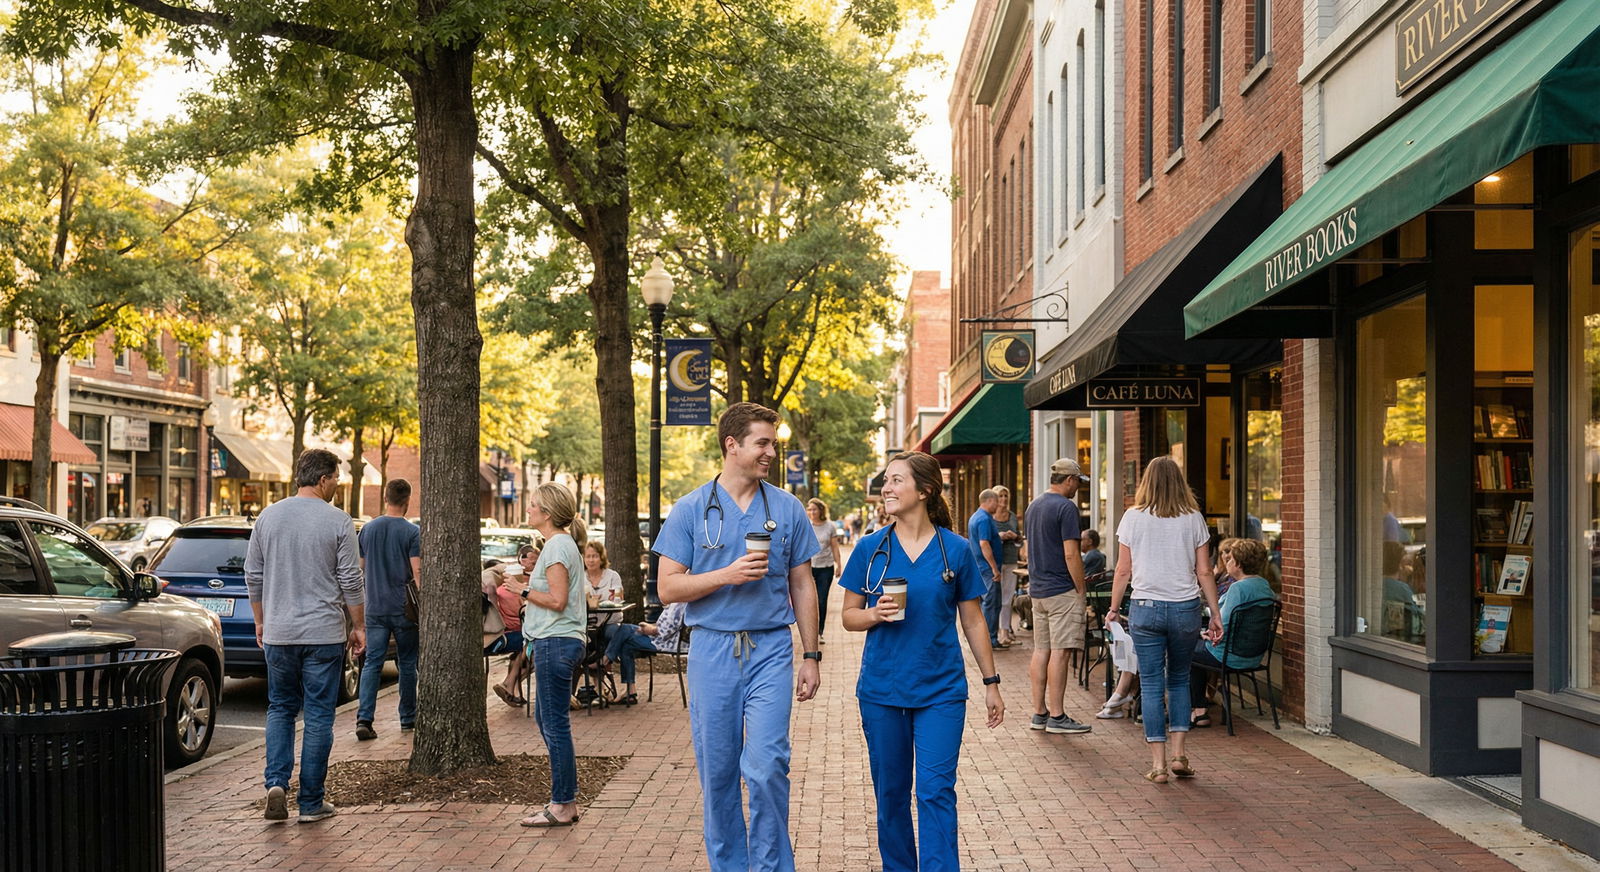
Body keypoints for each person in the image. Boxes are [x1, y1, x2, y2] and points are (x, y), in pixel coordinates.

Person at [655, 402, 820, 872]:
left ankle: (771, 867)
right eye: (762, 442)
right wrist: (725, 575)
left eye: (773, 442)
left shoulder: (786, 508)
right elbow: (668, 588)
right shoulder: (690, 509)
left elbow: (803, 583)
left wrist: (811, 654)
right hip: (711, 649)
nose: (772, 451)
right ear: (733, 445)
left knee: (768, 767)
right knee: (719, 772)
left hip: (770, 648)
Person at [840, 451, 1002, 871]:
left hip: (941, 691)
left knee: (935, 789)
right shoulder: (870, 548)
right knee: (891, 793)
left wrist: (992, 682)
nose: (887, 489)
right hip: (882, 690)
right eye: (886, 481)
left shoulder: (956, 551)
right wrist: (873, 614)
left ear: (925, 490)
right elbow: (848, 616)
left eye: (896, 481)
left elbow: (973, 619)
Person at [246, 449, 364, 824]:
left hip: (280, 632)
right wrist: (358, 626)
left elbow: (253, 575)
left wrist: (261, 621)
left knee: (280, 707)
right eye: (336, 478)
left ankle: (276, 783)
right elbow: (350, 580)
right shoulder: (338, 521)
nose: (338, 484)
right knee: (318, 715)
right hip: (323, 633)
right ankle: (311, 802)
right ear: (324, 479)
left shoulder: (268, 516)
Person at [1108, 456, 1224, 783]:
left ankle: (1158, 764)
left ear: (1147, 482)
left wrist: (1115, 607)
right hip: (1185, 607)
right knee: (1179, 677)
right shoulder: (1193, 518)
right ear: (1179, 482)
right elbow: (1204, 570)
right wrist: (1215, 613)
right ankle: (1179, 755)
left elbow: (1123, 570)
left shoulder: (1133, 517)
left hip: (1145, 606)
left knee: (1152, 682)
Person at [517, 482, 589, 828]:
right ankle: (565, 799)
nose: (528, 509)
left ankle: (563, 803)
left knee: (555, 724)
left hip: (556, 642)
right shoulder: (558, 545)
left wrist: (524, 589)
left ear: (546, 513)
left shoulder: (558, 546)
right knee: (548, 721)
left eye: (532, 505)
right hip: (554, 641)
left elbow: (558, 600)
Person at [1023, 458, 1093, 735]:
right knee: (1061, 653)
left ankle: (1039, 713)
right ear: (1069, 480)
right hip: (1062, 590)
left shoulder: (1034, 506)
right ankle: (1057, 715)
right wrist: (1081, 588)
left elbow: (1027, 550)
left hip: (1038, 590)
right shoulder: (1066, 507)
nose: (1078, 487)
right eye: (1077, 482)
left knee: (1042, 650)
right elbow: (1071, 553)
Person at [354, 479, 421, 741]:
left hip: (374, 607)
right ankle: (407, 718)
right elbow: (417, 572)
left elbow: (359, 568)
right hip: (404, 609)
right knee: (407, 663)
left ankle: (364, 718)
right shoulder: (412, 532)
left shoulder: (368, 530)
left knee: (372, 663)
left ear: (385, 497)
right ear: (408, 501)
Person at [1189, 537, 1278, 727]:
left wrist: (1205, 633)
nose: (1226, 562)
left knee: (1186, 651)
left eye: (1229, 559)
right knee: (1197, 650)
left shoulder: (1238, 589)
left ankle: (1199, 710)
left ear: (1238, 564)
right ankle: (1203, 700)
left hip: (1228, 655)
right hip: (1254, 656)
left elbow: (1223, 625)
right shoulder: (1265, 586)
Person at [601, 600, 687, 704]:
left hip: (663, 643)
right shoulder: (677, 602)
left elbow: (666, 631)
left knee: (624, 629)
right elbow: (666, 625)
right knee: (626, 643)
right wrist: (649, 627)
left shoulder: (679, 604)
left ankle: (605, 659)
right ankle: (630, 692)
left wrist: (650, 629)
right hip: (658, 639)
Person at [485, 543, 539, 707]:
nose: (536, 566)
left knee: (528, 647)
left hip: (515, 632)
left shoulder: (523, 584)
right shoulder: (509, 588)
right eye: (533, 563)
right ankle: (510, 683)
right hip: (505, 635)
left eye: (537, 563)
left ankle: (512, 688)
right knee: (535, 644)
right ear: (521, 561)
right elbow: (525, 615)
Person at [967, 488, 1005, 648]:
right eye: (996, 500)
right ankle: (990, 639)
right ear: (989, 501)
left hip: (980, 567)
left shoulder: (975, 517)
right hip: (988, 569)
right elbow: (984, 544)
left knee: (987, 603)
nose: (998, 504)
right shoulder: (983, 519)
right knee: (991, 603)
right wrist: (995, 569)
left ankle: (986, 638)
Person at [807, 498, 842, 645]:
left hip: (825, 568)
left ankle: (819, 632)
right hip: (808, 567)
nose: (812, 512)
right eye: (809, 509)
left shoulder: (830, 527)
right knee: (808, 600)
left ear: (821, 510)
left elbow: (834, 547)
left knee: (821, 600)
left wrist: (839, 564)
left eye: (814, 509)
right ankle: (809, 632)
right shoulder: (806, 525)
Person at [993, 486, 1023, 647]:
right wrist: (999, 536)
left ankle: (1005, 630)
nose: (1003, 499)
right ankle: (996, 631)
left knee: (1008, 597)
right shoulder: (989, 517)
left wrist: (1015, 536)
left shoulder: (1012, 517)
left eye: (1006, 495)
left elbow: (1020, 540)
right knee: (994, 597)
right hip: (995, 561)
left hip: (1011, 559)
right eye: (1000, 496)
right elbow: (985, 539)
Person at [583, 540, 624, 605]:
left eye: (595, 556)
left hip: (610, 614)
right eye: (588, 556)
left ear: (602, 558)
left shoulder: (613, 576)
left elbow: (618, 599)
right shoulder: (580, 577)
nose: (591, 560)